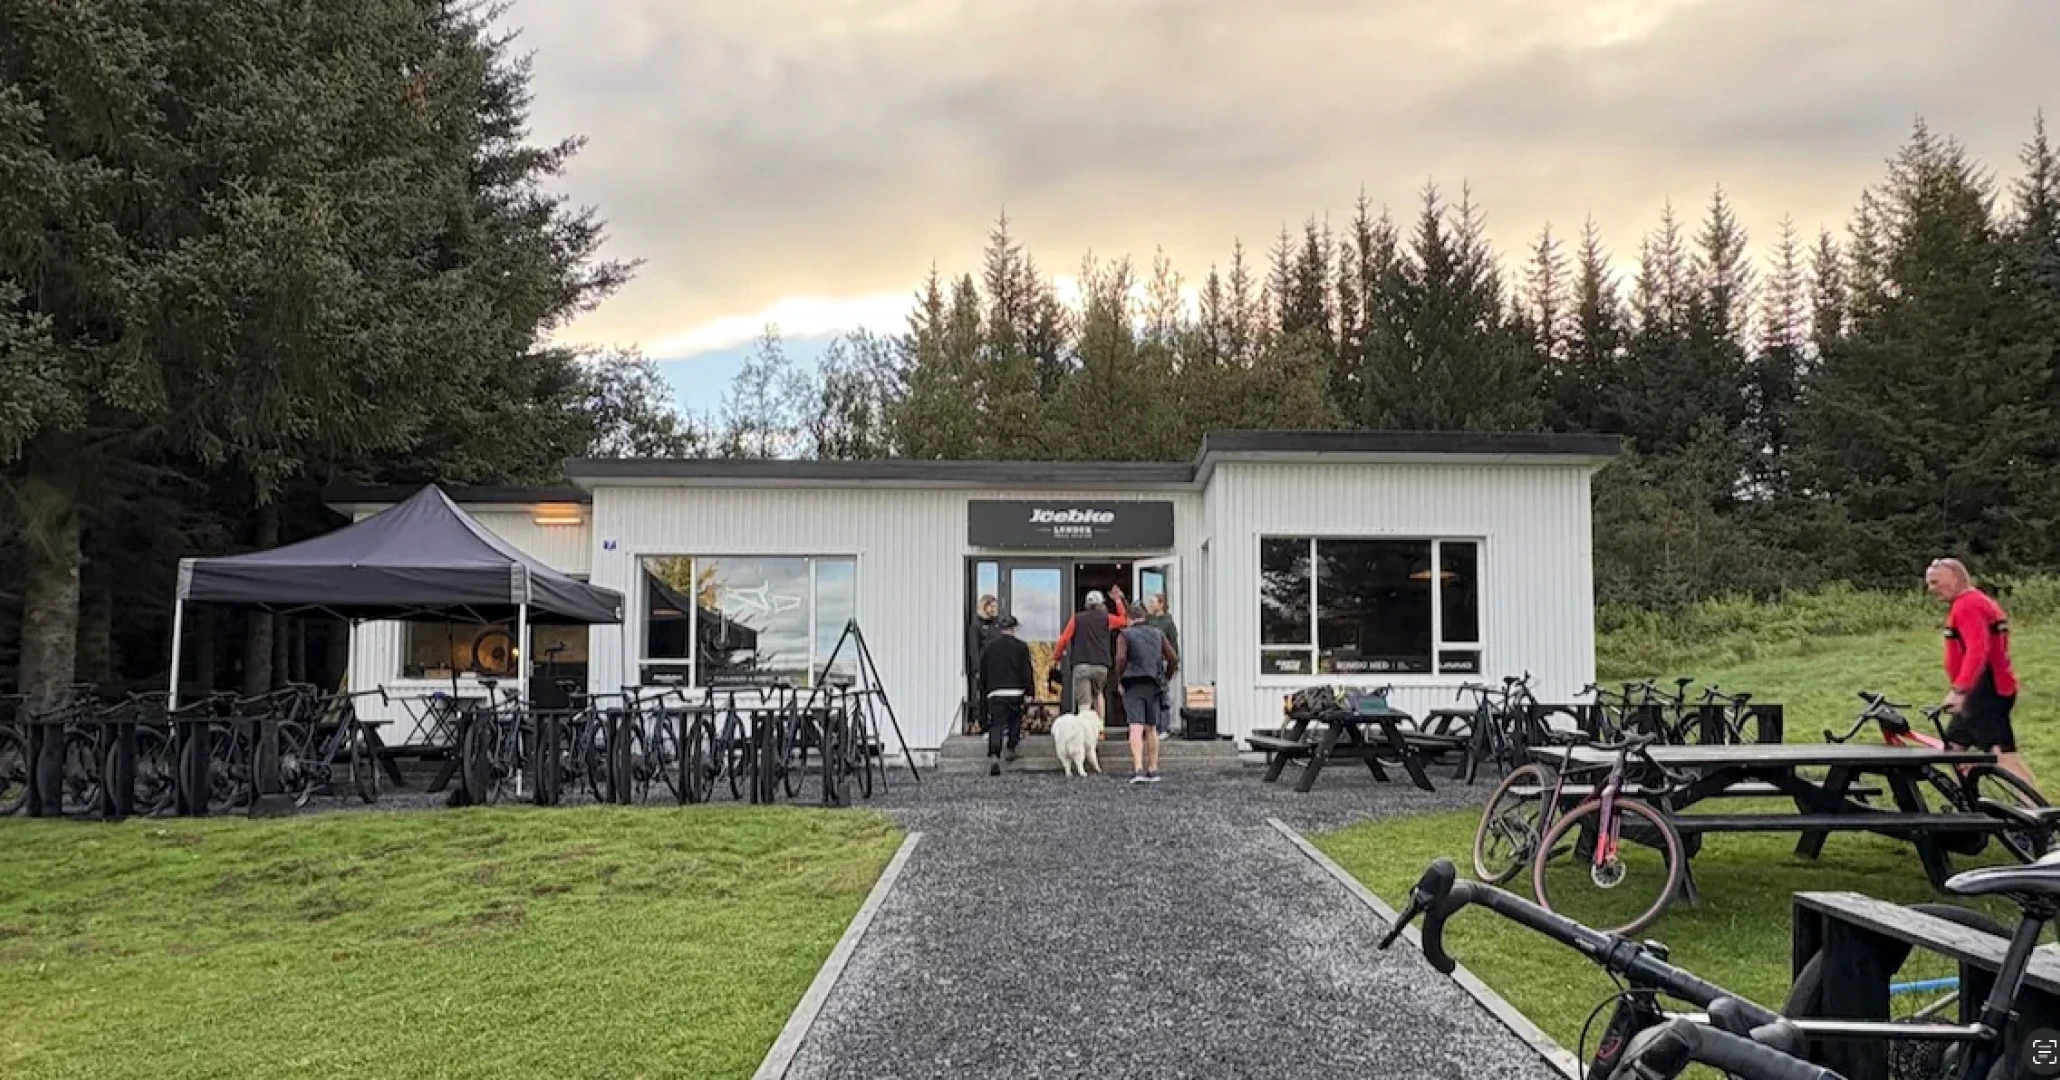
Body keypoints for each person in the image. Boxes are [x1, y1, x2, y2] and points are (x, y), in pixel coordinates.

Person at [1926, 558, 2033, 786]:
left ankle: (2039, 811)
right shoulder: (1974, 601)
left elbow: (1978, 650)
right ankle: (1971, 806)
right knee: (1954, 749)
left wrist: (1959, 690)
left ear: (1954, 578)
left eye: (1935, 582)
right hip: (1981, 690)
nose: (1931, 589)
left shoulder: (1968, 605)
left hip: (1986, 691)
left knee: (2001, 755)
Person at [1115, 612, 1178, 784]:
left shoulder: (1125, 634)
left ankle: (1138, 769)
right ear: (1144, 617)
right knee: (1151, 728)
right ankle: (1153, 768)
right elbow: (1173, 657)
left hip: (1133, 684)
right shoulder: (1157, 633)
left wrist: (1120, 678)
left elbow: (1121, 659)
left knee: (1136, 727)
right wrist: (1166, 676)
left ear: (1130, 619)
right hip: (1154, 684)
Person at [1053, 585, 1128, 720]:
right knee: (1098, 694)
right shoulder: (1106, 618)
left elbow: (1064, 639)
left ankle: (1085, 732)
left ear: (1087, 604)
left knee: (1084, 702)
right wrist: (1118, 600)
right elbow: (1124, 621)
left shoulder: (1077, 619)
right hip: (1101, 665)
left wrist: (1056, 657)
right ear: (1101, 604)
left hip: (1081, 664)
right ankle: (1100, 730)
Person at [978, 615, 1035, 775]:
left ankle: (995, 755)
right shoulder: (1021, 647)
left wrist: (984, 690)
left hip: (996, 691)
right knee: (1014, 720)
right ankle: (1011, 747)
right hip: (1015, 690)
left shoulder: (989, 648)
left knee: (996, 724)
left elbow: (983, 672)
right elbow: (1027, 671)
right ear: (1014, 628)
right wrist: (1029, 691)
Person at [1143, 592, 1181, 736]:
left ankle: (1163, 727)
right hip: (1149, 662)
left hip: (1163, 662)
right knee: (1150, 695)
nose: (1150, 605)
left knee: (1163, 695)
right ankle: (1153, 727)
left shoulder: (1168, 622)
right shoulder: (1148, 620)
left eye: (1153, 602)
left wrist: (1174, 663)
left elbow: (1173, 643)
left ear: (1161, 604)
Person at [965, 594, 999, 732]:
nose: (994, 609)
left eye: (995, 606)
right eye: (992, 606)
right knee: (983, 697)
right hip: (983, 667)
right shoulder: (976, 625)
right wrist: (977, 669)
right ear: (984, 607)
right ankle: (984, 725)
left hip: (996, 666)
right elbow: (974, 649)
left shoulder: (996, 624)